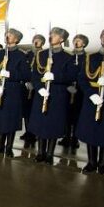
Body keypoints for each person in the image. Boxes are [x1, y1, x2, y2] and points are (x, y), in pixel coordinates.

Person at [29, 27, 77, 165]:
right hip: (42, 92)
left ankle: (49, 154)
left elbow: (72, 76)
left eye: (55, 35)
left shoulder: (68, 57)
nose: (51, 36)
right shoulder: (41, 55)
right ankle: (40, 152)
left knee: (53, 125)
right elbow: (35, 75)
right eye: (51, 34)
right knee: (41, 124)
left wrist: (55, 77)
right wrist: (39, 88)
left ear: (61, 39)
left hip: (57, 94)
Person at [76, 27, 104, 176]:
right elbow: (82, 78)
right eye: (103, 35)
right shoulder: (91, 57)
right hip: (92, 99)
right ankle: (92, 162)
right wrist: (91, 94)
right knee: (91, 132)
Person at [0, 29, 31, 157]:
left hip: (13, 92)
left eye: (11, 35)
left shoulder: (21, 55)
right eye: (7, 34)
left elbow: (26, 75)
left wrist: (11, 75)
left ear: (16, 39)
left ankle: (9, 147)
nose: (7, 36)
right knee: (1, 119)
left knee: (11, 120)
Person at [59, 34, 88, 149]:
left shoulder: (87, 58)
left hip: (80, 91)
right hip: (68, 89)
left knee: (77, 115)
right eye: (75, 40)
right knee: (67, 114)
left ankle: (74, 138)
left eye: (79, 41)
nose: (76, 42)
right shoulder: (69, 57)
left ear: (84, 43)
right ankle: (66, 136)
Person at [21, 34, 45, 148]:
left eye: (38, 41)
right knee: (26, 110)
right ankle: (28, 131)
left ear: (42, 43)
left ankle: (34, 132)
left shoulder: (44, 55)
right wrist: (26, 81)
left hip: (39, 86)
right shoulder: (28, 55)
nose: (36, 42)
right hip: (27, 85)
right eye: (34, 40)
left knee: (35, 110)